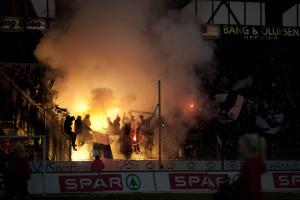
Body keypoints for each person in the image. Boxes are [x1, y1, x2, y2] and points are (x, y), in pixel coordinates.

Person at [236, 133, 266, 200]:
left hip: (249, 193)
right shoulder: (259, 161)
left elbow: (241, 178)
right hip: (257, 192)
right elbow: (263, 169)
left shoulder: (248, 164)